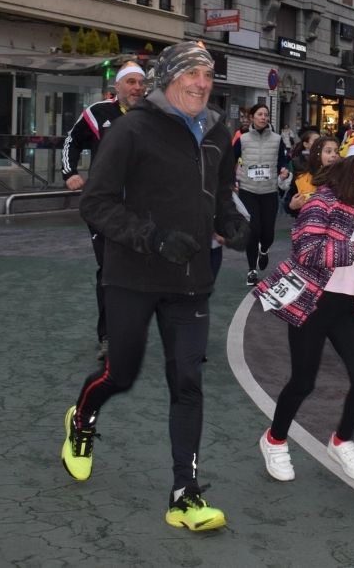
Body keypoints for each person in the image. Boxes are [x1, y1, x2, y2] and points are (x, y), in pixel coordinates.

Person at [59, 41, 250, 531]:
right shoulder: (132, 129)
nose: (201, 84)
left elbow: (220, 196)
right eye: (192, 74)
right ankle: (82, 420)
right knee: (121, 374)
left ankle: (184, 497)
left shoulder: (218, 132)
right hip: (133, 275)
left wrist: (232, 222)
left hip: (191, 282)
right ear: (167, 78)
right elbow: (95, 204)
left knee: (188, 383)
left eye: (207, 76)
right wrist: (154, 238)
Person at [253, 129, 354, 482]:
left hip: (347, 308)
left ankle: (341, 440)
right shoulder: (324, 200)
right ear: (353, 164)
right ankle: (274, 439)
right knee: (303, 382)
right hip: (312, 303)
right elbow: (307, 253)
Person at [61, 62, 147, 359]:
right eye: (131, 82)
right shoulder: (98, 113)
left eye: (141, 83)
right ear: (118, 86)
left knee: (135, 271)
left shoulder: (150, 116)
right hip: (103, 207)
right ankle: (109, 337)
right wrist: (69, 172)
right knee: (109, 270)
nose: (137, 88)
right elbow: (71, 141)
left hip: (139, 209)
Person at [235, 103, 291, 286]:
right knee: (253, 231)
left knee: (267, 233)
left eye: (266, 115)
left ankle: (264, 250)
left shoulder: (276, 139)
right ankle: (251, 270)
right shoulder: (242, 139)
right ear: (252, 117)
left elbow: (283, 159)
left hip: (269, 191)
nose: (263, 117)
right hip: (247, 190)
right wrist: (231, 180)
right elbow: (230, 159)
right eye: (260, 114)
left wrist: (283, 169)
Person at [284, 135, 339, 215]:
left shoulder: (344, 178)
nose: (334, 155)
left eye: (336, 151)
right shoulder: (302, 178)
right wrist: (292, 206)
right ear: (317, 154)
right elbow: (289, 203)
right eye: (328, 151)